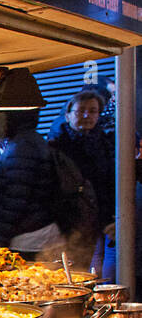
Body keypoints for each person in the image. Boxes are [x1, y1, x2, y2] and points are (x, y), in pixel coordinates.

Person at [50, 88, 115, 279]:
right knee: (70, 274)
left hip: (100, 223)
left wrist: (112, 219)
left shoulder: (107, 145)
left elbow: (109, 185)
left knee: (96, 274)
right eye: (81, 111)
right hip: (67, 224)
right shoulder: (56, 146)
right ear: (68, 114)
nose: (87, 115)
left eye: (93, 111)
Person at [0, 109, 60, 253]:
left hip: (28, 237)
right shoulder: (29, 141)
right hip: (38, 230)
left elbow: (16, 200)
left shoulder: (22, 147)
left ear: (5, 118)